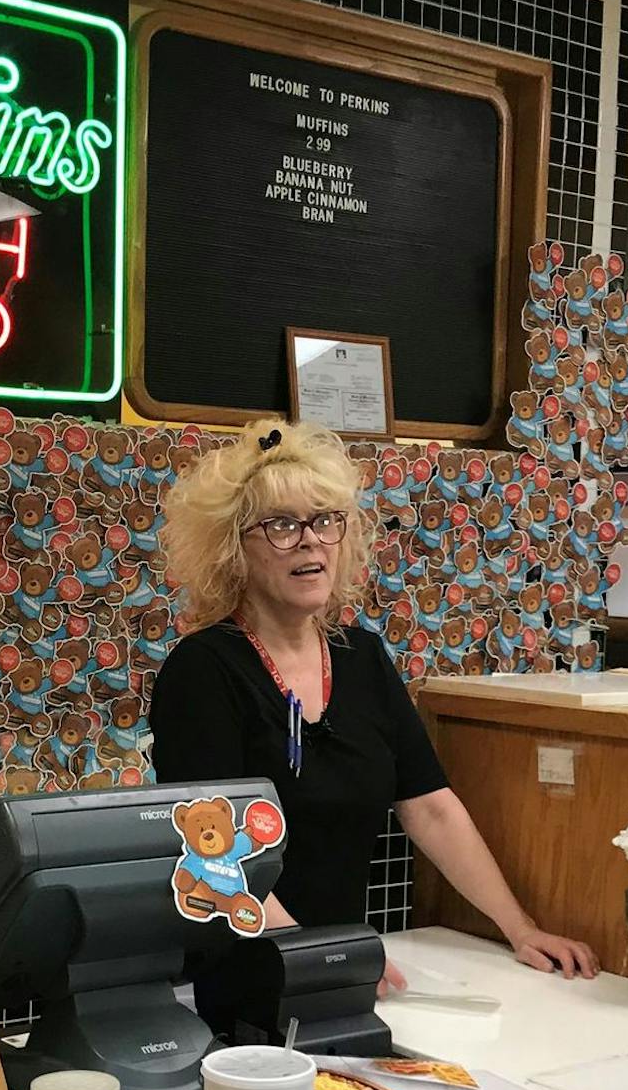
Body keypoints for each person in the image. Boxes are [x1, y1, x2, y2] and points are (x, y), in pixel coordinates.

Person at [150, 417, 593, 985]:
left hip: (344, 967)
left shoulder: (361, 657)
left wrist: (521, 928)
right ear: (234, 549)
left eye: (325, 522)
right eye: (282, 525)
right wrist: (323, 957)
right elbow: (214, 855)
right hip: (239, 975)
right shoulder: (204, 670)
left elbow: (430, 807)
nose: (310, 540)